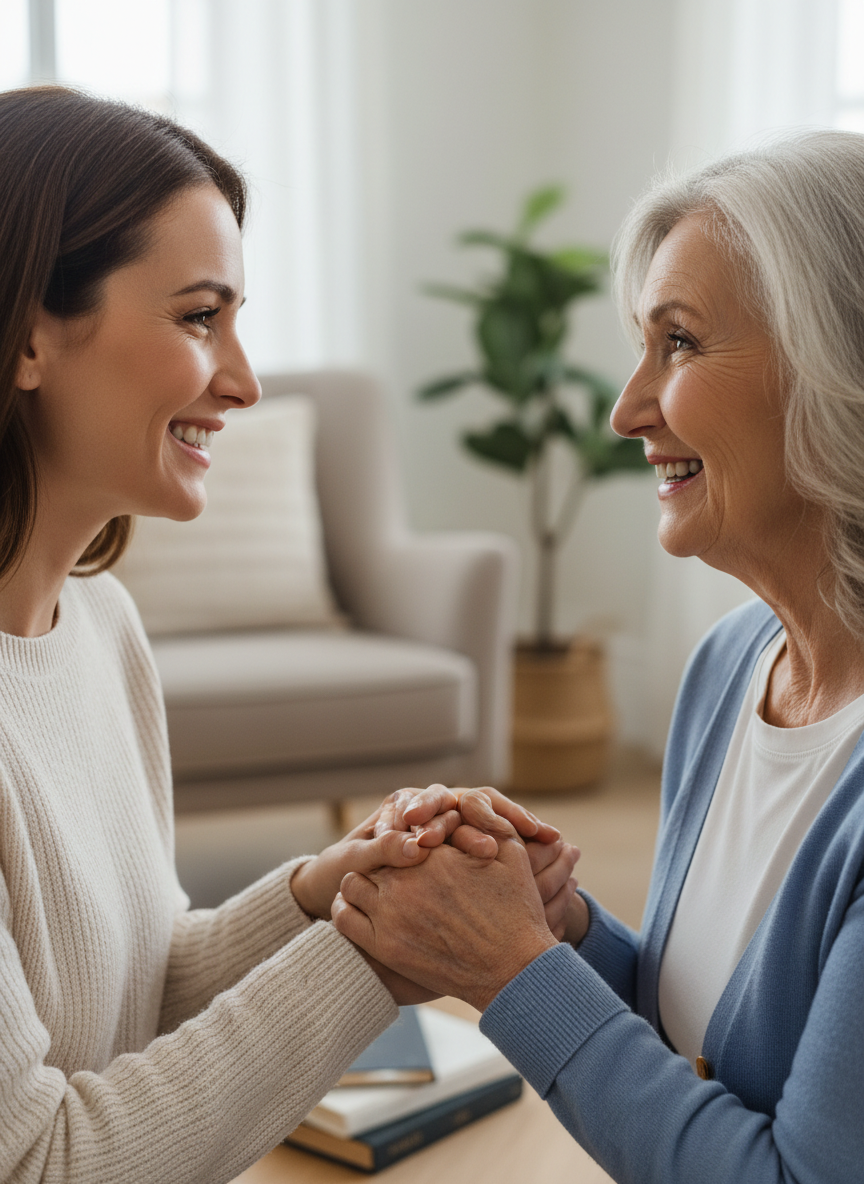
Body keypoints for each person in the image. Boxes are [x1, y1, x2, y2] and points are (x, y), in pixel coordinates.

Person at [0, 86, 579, 1183]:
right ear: (29, 333)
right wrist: (380, 946)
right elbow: (39, 1160)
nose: (246, 379)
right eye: (197, 316)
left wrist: (327, 887)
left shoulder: (102, 630)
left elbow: (140, 982)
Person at [332, 129, 864, 1183]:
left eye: (679, 343)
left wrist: (512, 967)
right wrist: (560, 925)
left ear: (834, 364)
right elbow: (704, 1040)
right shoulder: (729, 667)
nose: (627, 409)